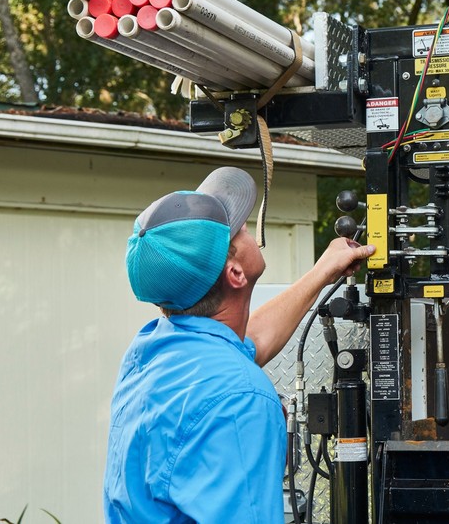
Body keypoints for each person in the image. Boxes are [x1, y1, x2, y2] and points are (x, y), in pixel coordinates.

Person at [103, 166, 374, 523]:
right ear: (234, 272)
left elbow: (250, 341)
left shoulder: (150, 353)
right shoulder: (241, 398)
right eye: (241, 229)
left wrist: (323, 271)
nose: (249, 228)